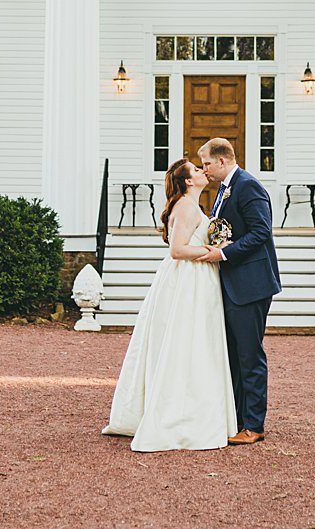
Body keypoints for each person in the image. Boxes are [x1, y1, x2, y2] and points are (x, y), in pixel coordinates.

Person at [101, 159, 239, 452]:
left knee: (191, 342)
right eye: (197, 170)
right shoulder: (187, 207)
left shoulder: (192, 206)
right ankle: (182, 416)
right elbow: (177, 250)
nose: (203, 171)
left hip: (195, 278)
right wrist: (213, 251)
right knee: (188, 342)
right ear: (189, 181)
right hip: (190, 279)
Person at [195, 137, 281, 445]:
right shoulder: (223, 189)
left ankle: (254, 426)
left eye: (206, 163)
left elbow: (261, 232)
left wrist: (222, 255)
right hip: (233, 283)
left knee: (249, 355)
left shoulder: (248, 186)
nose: (203, 170)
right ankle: (238, 418)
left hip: (251, 283)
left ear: (221, 161)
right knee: (233, 355)